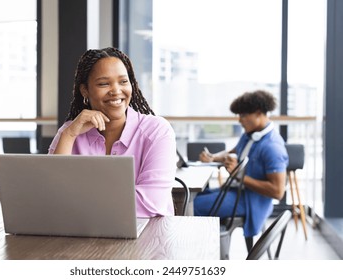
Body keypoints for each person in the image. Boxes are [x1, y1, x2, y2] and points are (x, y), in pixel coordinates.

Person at [48, 47, 176, 217]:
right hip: (83, 235)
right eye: (103, 84)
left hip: (147, 237)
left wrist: (75, 200)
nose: (116, 90)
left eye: (123, 81)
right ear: (85, 90)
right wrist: (69, 135)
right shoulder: (70, 131)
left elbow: (150, 204)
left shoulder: (157, 131)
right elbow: (51, 195)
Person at [194, 90, 289, 238]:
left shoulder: (272, 147)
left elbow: (278, 192)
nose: (239, 120)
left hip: (251, 202)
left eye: (243, 115)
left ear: (258, 113)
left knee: (192, 207)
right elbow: (233, 152)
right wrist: (213, 157)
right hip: (235, 192)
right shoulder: (250, 135)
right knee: (190, 198)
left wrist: (239, 176)